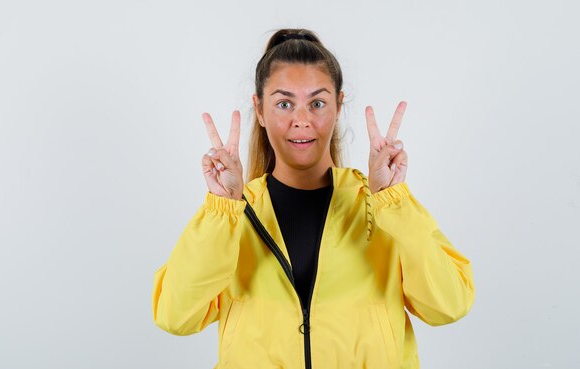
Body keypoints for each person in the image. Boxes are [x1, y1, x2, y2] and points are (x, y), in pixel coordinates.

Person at [151, 28, 475, 369]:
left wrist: (392, 201)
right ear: (259, 110)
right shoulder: (233, 215)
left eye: (317, 103)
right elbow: (175, 316)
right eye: (284, 103)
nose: (301, 120)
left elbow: (449, 305)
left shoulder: (380, 206)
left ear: (338, 106)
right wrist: (224, 209)